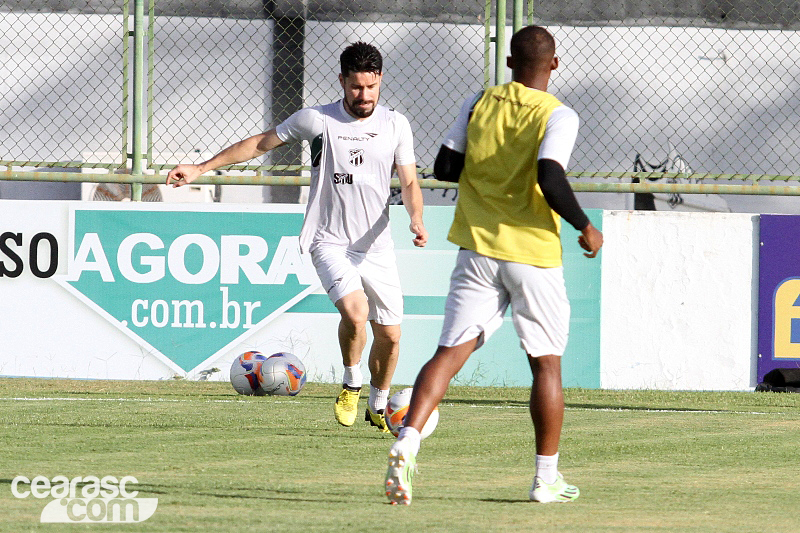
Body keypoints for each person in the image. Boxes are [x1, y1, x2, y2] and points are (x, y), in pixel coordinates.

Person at [383, 26, 603, 505]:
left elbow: (444, 167)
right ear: (555, 64)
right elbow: (550, 175)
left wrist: (490, 166)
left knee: (449, 352)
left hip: (477, 250)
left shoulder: (478, 102)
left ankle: (408, 439)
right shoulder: (559, 114)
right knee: (545, 365)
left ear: (508, 62)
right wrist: (585, 225)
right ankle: (546, 479)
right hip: (533, 256)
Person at [167, 42, 428, 433]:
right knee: (355, 314)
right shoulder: (316, 120)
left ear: (380, 81)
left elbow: (408, 180)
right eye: (356, 87)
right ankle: (351, 383)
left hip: (376, 245)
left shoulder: (395, 124)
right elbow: (259, 143)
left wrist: (416, 218)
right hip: (329, 241)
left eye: (371, 88)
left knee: (390, 335)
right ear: (342, 81)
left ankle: (377, 401)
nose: (364, 96)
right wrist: (202, 168)